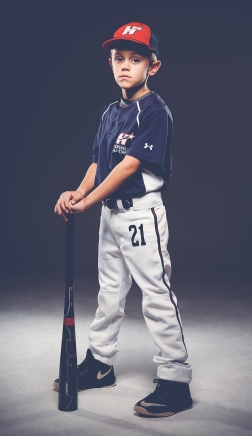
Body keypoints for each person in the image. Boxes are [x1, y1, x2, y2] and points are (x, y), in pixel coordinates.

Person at [54, 22, 192, 417]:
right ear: (110, 63)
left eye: (136, 59)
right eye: (118, 59)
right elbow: (100, 162)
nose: (125, 66)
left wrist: (89, 201)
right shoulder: (110, 112)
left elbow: (130, 166)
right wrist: (78, 193)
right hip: (109, 214)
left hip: (140, 213)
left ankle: (175, 380)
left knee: (156, 294)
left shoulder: (155, 111)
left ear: (154, 66)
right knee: (109, 292)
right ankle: (100, 363)